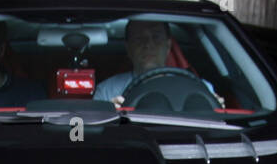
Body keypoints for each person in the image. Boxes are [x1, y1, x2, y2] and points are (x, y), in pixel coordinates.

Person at [93, 19, 221, 107]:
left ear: (168, 46)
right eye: (139, 38)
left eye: (156, 37)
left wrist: (216, 110)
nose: (148, 45)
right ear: (128, 48)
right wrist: (109, 116)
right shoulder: (106, 92)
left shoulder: (200, 88)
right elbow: (97, 140)